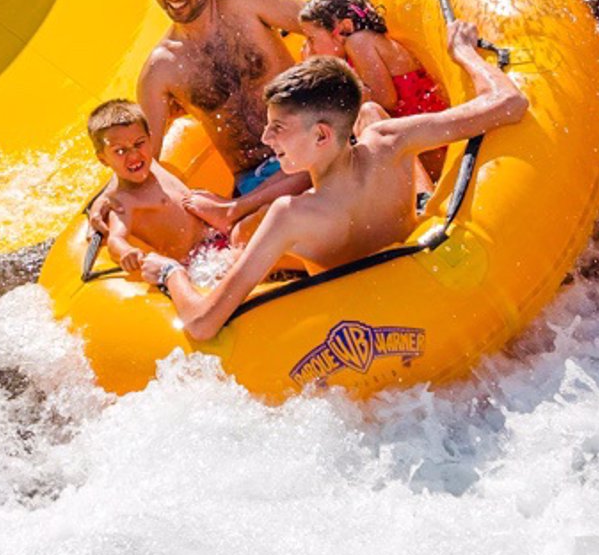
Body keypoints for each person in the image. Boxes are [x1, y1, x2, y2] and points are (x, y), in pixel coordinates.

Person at [139, 21, 527, 342]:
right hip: (414, 274)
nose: (266, 140)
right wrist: (464, 53)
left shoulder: (290, 215)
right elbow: (510, 104)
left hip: (351, 319)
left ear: (322, 136)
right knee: (372, 114)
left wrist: (171, 274)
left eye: (278, 129)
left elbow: (203, 323)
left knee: (241, 238)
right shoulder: (391, 142)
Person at [133, 0, 311, 229]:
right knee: (252, 232)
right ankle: (238, 214)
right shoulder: (160, 70)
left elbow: (322, 28)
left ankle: (234, 211)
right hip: (258, 180)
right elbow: (143, 159)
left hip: (310, 143)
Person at [298, 0, 450, 178]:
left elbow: (385, 100)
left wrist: (332, 73)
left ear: (344, 27)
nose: (309, 47)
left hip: (436, 145)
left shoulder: (359, 42)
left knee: (361, 117)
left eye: (312, 38)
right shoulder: (353, 52)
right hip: (419, 141)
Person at [85, 98, 215, 275]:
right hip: (196, 263)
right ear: (103, 160)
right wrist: (126, 252)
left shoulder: (152, 163)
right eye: (120, 151)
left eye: (139, 143)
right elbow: (116, 238)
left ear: (150, 138)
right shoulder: (123, 200)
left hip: (214, 240)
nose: (134, 155)